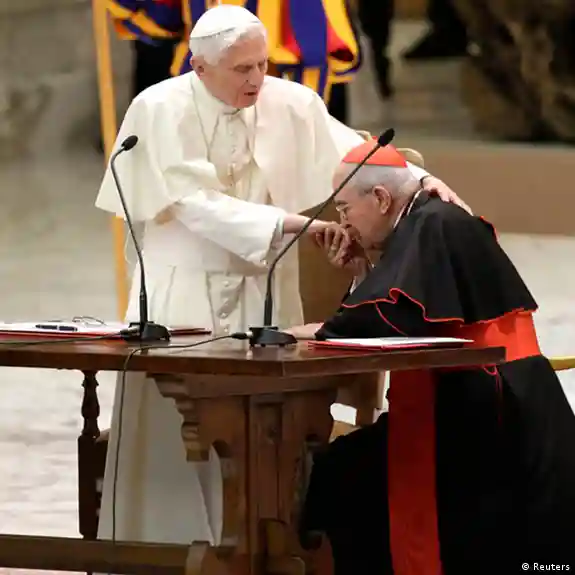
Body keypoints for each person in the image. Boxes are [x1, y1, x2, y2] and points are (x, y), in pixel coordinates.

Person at [94, 4, 468, 550]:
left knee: (269, 436)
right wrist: (293, 223)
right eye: (241, 69)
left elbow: (356, 153)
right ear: (199, 67)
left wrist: (423, 179)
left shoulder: (290, 101)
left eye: (262, 64)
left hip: (265, 294)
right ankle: (166, 555)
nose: (256, 79)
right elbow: (192, 204)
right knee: (175, 441)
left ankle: (268, 550)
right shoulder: (157, 107)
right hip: (180, 297)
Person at [292, 141, 575, 573]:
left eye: (346, 209)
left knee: (348, 480)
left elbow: (396, 316)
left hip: (488, 411)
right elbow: (404, 312)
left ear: (381, 198)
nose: (343, 222)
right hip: (472, 400)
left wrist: (316, 332)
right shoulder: (421, 221)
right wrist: (362, 273)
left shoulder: (433, 223)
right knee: (345, 474)